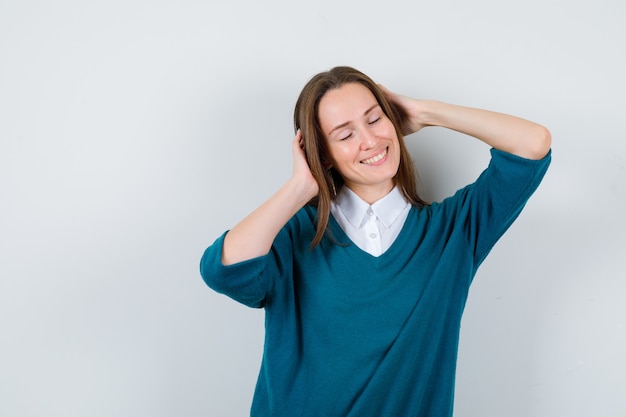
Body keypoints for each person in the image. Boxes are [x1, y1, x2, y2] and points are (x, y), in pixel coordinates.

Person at [200, 66, 551, 417]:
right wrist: (301, 187)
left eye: (374, 119)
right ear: (322, 155)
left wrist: (426, 112)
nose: (369, 141)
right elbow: (224, 270)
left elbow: (533, 144)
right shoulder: (296, 235)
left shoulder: (454, 232)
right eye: (345, 135)